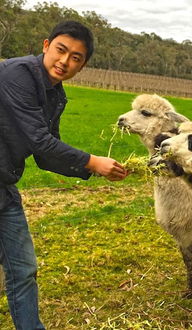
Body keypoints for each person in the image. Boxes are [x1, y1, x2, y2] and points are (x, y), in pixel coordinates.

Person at [0, 21, 127, 329]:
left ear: (82, 66)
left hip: (4, 187)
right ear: (46, 45)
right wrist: (93, 162)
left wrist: (95, 171)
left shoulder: (57, 95)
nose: (65, 61)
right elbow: (38, 141)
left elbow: (45, 157)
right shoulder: (16, 74)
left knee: (24, 269)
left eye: (76, 58)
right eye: (61, 50)